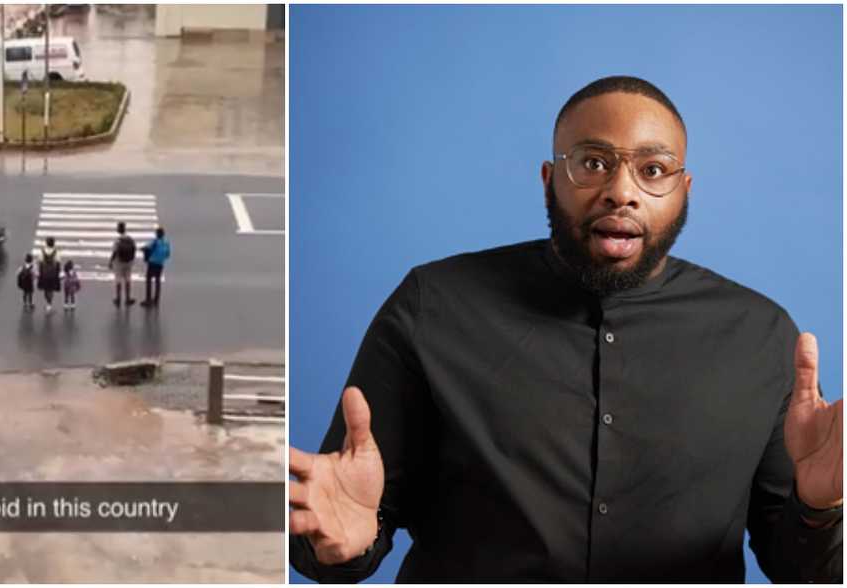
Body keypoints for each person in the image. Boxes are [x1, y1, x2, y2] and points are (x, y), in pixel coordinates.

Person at [288, 76, 843, 583]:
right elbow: (346, 518)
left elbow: (802, 570)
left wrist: (821, 508)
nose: (621, 192)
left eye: (652, 170)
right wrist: (339, 545)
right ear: (551, 179)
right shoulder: (432, 305)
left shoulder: (760, 336)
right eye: (594, 163)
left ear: (684, 189)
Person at [108, 221, 136, 307]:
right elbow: (134, 249)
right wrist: (131, 259)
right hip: (129, 262)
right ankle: (128, 298)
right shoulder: (130, 239)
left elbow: (114, 252)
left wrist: (110, 261)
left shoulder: (117, 241)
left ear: (119, 229)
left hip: (119, 262)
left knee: (118, 280)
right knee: (128, 280)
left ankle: (118, 299)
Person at [141, 227, 171, 308]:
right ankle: (156, 299)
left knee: (149, 280)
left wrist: (142, 249)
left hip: (152, 262)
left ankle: (148, 300)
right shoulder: (166, 242)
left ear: (157, 234)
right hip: (160, 263)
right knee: (158, 280)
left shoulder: (155, 242)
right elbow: (168, 255)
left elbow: (147, 248)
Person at [36, 237, 61, 314]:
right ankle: (49, 304)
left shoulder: (42, 252)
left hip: (44, 272)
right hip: (53, 273)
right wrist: (58, 273)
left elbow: (40, 262)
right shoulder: (56, 252)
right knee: (51, 289)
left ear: (46, 243)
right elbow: (58, 263)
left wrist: (40, 272)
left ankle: (48, 302)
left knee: (46, 289)